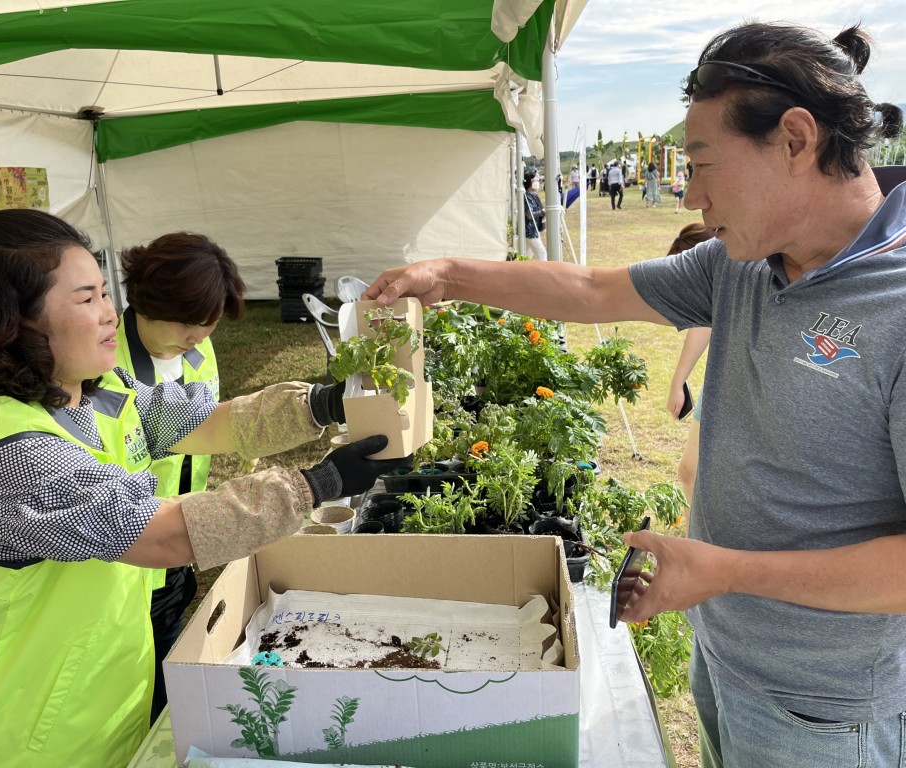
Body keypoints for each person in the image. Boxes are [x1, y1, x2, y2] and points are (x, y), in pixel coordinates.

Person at [365, 21, 906, 767]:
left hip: (825, 710)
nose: (691, 193)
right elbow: (592, 288)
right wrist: (451, 278)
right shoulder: (741, 265)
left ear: (795, 138)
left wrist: (727, 570)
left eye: (703, 163)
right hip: (723, 659)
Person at [0, 209, 407, 768]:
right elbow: (168, 537)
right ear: (17, 322)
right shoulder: (16, 456)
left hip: (88, 704)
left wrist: (323, 404)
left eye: (103, 293)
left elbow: (210, 422)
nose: (110, 314)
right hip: (6, 735)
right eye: (86, 299)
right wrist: (316, 484)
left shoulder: (95, 395)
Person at [113, 231, 244, 723]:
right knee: (131, 674)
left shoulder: (198, 350)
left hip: (179, 537)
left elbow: (205, 426)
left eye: (208, 327)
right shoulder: (106, 367)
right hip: (131, 547)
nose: (198, 339)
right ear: (145, 302)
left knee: (167, 652)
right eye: (188, 324)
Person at [664, 223, 716, 502]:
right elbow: (704, 320)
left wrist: (678, 380)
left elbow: (703, 321)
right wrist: (678, 379)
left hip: (736, 386)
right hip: (721, 381)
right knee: (690, 471)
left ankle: (692, 542)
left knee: (691, 471)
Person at [522, 169, 547, 261]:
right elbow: (529, 214)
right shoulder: (527, 197)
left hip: (534, 230)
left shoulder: (534, 195)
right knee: (542, 254)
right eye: (534, 181)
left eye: (537, 180)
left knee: (526, 256)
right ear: (528, 182)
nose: (536, 182)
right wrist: (543, 211)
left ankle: (517, 271)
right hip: (530, 231)